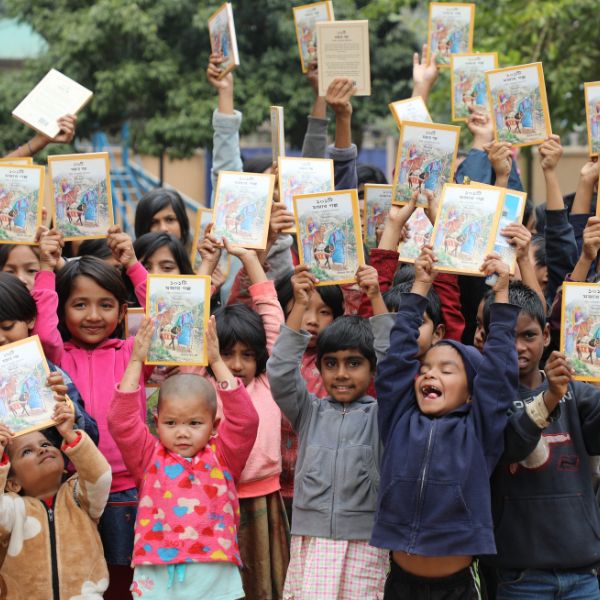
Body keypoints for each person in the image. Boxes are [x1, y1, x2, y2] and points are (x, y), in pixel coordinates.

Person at [372, 247, 519, 599]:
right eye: (424, 370)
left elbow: (498, 372)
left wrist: (501, 294)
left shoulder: (478, 430)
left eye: (446, 370)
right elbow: (395, 362)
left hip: (457, 588)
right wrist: (420, 287)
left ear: (472, 392)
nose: (429, 375)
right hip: (401, 585)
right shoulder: (398, 419)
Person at [31, 228, 150, 599]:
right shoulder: (57, 356)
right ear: (63, 310)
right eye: (80, 304)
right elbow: (44, 329)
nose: (93, 315)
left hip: (130, 489)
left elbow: (166, 318)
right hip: (75, 489)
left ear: (122, 311)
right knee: (83, 579)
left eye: (106, 304)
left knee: (125, 579)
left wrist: (133, 266)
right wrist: (47, 269)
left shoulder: (135, 353)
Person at [108, 316, 259, 599]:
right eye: (171, 423)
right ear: (157, 421)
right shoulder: (148, 456)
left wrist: (216, 361)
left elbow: (246, 421)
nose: (182, 433)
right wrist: (136, 361)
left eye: (194, 423)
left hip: (213, 569)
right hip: (155, 569)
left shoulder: (222, 456)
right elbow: (121, 421)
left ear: (214, 425)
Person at [267, 266, 388, 599]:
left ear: (372, 368)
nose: (341, 373)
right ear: (318, 368)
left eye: (354, 363)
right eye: (331, 363)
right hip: (312, 540)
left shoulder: (382, 414)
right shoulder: (309, 412)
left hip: (364, 543)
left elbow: (397, 368)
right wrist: (298, 306)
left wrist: (375, 297)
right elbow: (279, 371)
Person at [481, 283, 600, 599]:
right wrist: (548, 399)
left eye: (528, 336)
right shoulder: (485, 397)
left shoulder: (577, 392)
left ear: (547, 335)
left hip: (582, 573)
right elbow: (509, 447)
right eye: (506, 336)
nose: (517, 346)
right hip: (520, 577)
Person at [0, 380, 111, 598]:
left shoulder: (79, 496)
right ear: (13, 482)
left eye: (45, 444)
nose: (41, 451)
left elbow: (100, 476)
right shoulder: (12, 509)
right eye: (27, 452)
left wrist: (70, 434)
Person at [0, 271, 99, 443]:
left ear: (30, 320)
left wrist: (70, 413)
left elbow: (93, 438)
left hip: (54, 467)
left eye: (8, 326)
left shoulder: (49, 374)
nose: (1, 338)